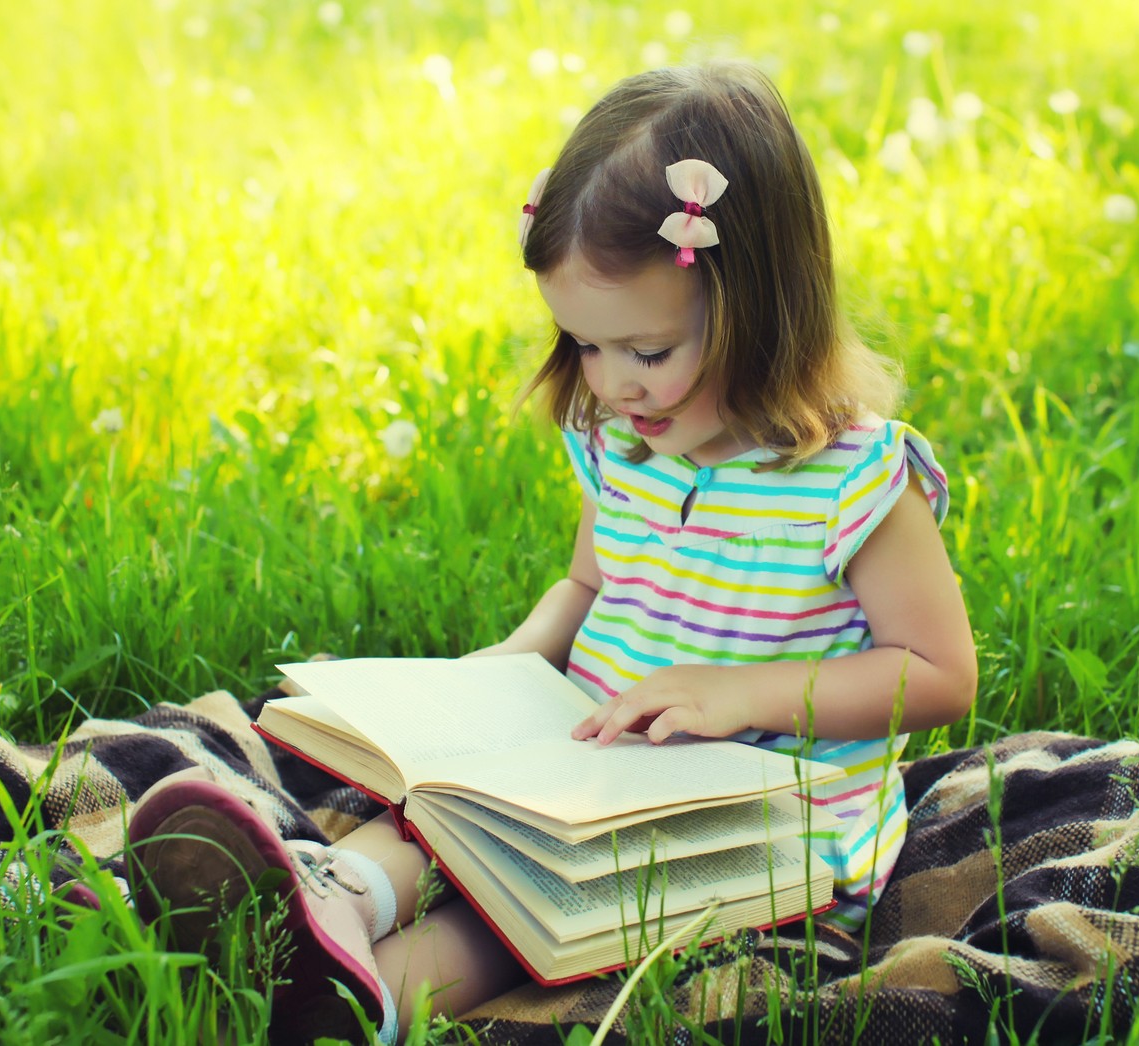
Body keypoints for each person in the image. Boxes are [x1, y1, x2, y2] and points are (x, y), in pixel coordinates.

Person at [126, 61, 978, 1042]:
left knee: (528, 911)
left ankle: (353, 1002)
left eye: (648, 351)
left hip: (760, 822)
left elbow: (940, 674)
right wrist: (507, 667)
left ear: (764, 310)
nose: (615, 383)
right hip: (598, 758)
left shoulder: (855, 479)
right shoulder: (626, 442)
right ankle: (332, 897)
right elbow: (587, 582)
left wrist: (734, 693)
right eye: (584, 344)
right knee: (451, 808)